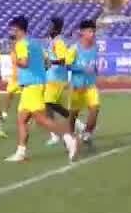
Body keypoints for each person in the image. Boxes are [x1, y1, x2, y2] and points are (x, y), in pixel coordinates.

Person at [7, 16, 78, 163]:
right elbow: (46, 62)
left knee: (41, 119)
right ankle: (20, 152)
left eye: (12, 29)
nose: (11, 32)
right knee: (21, 119)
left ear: (18, 29)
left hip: (31, 86)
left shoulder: (21, 44)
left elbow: (24, 62)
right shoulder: (35, 42)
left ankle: (69, 138)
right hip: (35, 85)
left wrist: (15, 59)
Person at [70, 20, 103, 144]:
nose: (92, 34)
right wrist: (81, 68)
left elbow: (94, 64)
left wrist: (95, 69)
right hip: (77, 86)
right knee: (74, 113)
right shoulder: (74, 48)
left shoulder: (95, 47)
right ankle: (70, 135)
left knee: (95, 108)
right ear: (82, 32)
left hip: (90, 86)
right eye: (90, 31)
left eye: (93, 31)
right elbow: (67, 66)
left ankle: (87, 133)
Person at [43, 17, 75, 147]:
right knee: (51, 105)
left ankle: (55, 135)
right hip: (52, 77)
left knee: (48, 104)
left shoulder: (58, 42)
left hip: (57, 78)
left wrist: (51, 62)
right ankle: (75, 122)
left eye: (50, 26)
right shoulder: (52, 41)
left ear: (56, 28)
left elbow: (63, 60)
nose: (48, 28)